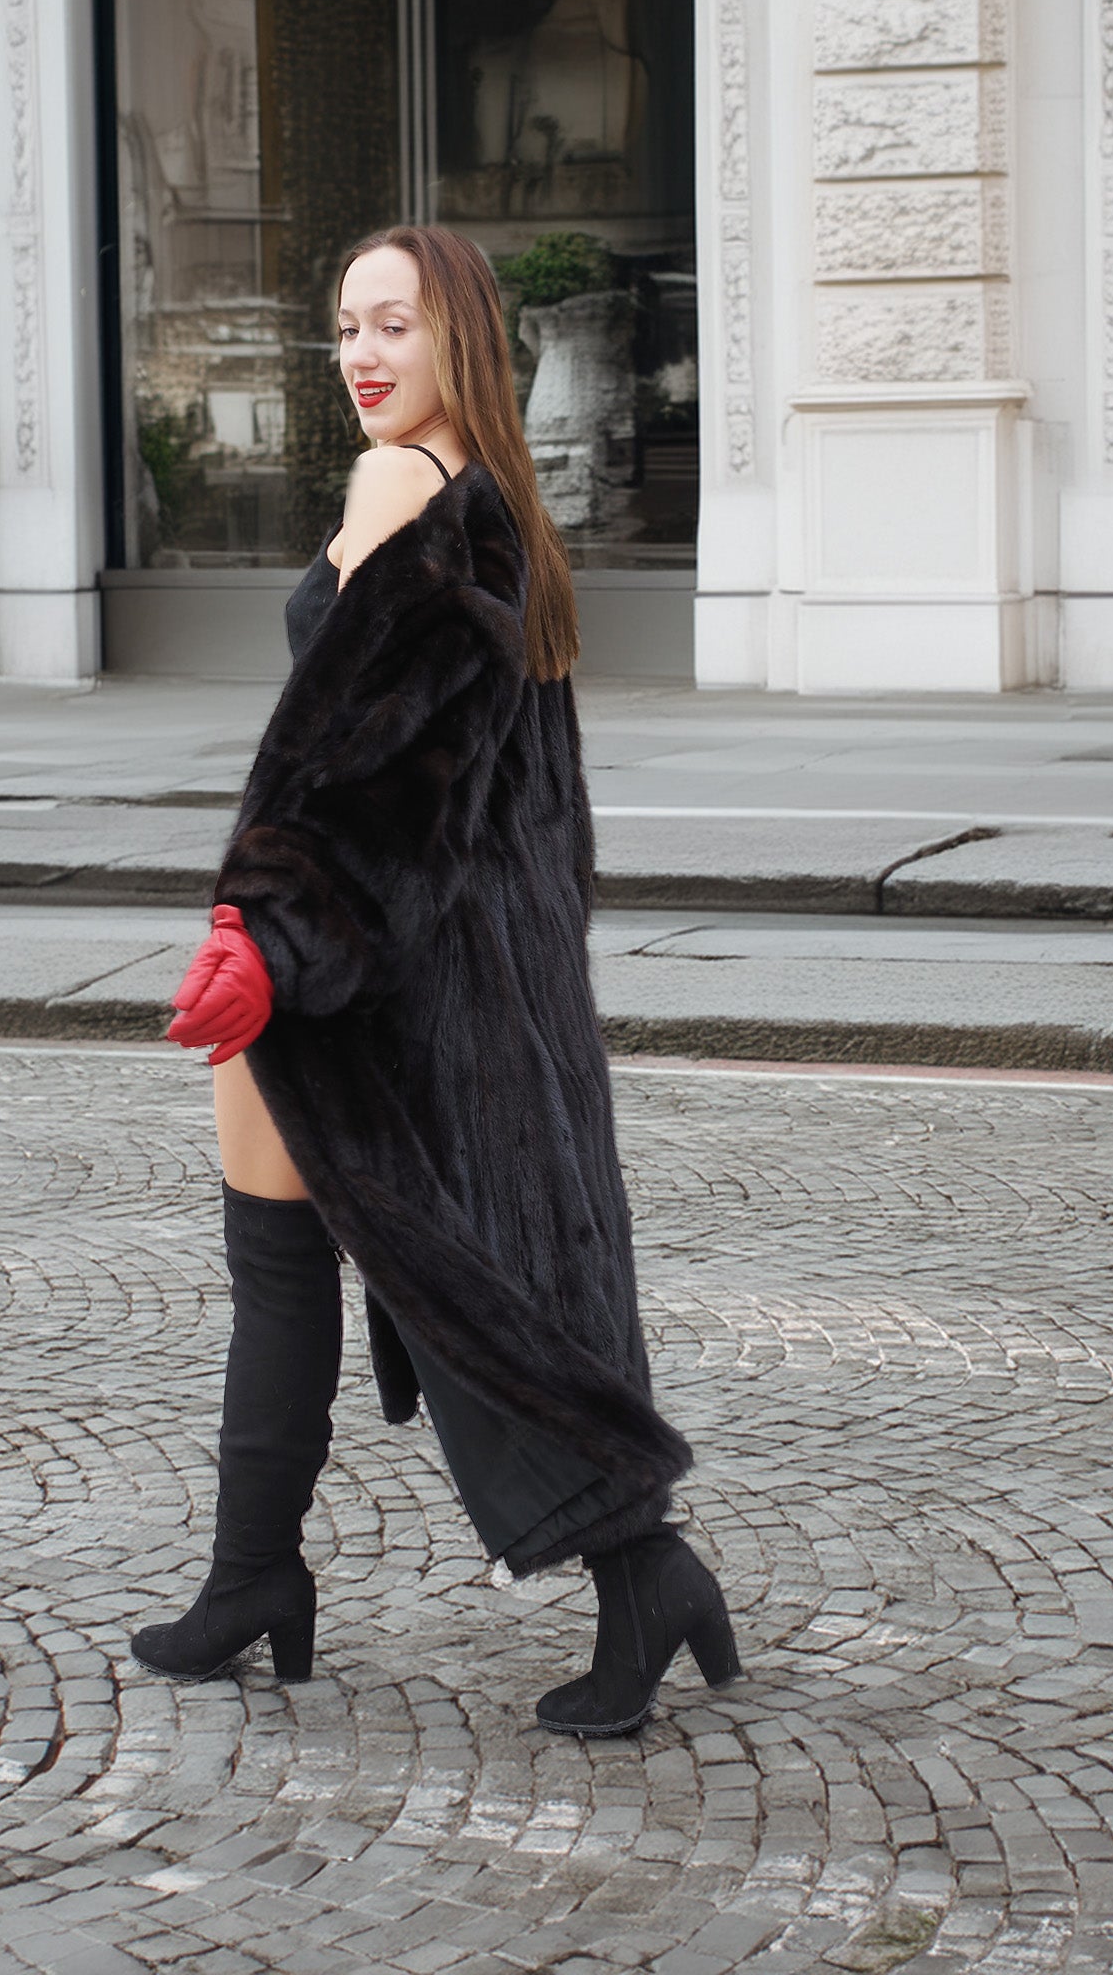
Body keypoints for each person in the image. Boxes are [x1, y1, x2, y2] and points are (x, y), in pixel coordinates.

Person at [130, 224, 739, 1736]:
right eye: (346, 326)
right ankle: (255, 1575)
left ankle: (637, 1572)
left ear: (459, 334)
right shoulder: (494, 507)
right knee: (366, 1256)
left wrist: (269, 929)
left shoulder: (404, 487)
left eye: (393, 324)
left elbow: (363, 760)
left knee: (430, 1274)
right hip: (421, 951)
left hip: (379, 960)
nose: (361, 355)